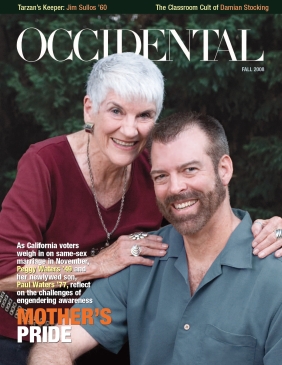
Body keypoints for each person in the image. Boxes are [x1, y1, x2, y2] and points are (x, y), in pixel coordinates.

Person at [0, 54, 280, 365]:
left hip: (108, 328)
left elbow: (200, 213)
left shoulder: (155, 171)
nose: (130, 130)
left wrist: (268, 229)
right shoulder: (46, 164)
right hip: (27, 330)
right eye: (116, 111)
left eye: (144, 115)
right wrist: (95, 265)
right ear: (89, 109)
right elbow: (4, 270)